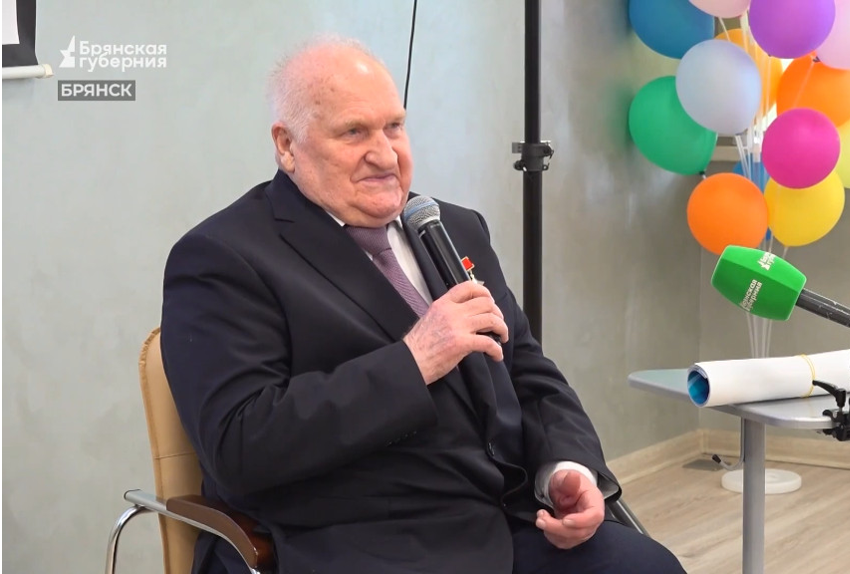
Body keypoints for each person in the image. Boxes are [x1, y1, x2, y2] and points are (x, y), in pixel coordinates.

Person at [160, 35, 687, 574]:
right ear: (287, 145)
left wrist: (566, 468)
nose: (385, 155)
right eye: (353, 132)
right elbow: (240, 446)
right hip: (362, 543)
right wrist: (414, 360)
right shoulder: (224, 257)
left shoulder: (453, 227)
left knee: (646, 566)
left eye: (394, 126)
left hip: (505, 522)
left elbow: (528, 373)